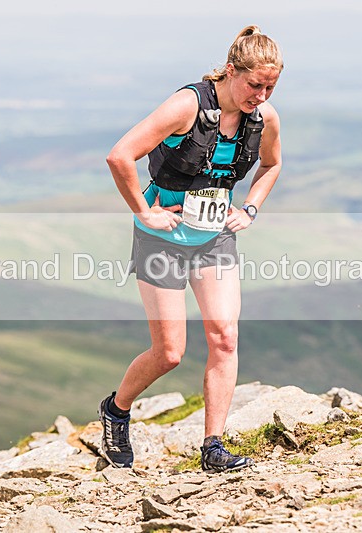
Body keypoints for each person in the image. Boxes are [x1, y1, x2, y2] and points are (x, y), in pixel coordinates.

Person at [99, 25, 283, 473]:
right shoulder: (187, 105)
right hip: (162, 237)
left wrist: (251, 209)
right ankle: (116, 410)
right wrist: (144, 212)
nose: (260, 96)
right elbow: (120, 156)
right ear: (231, 71)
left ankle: (213, 447)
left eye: (270, 87)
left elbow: (272, 164)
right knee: (169, 353)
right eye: (254, 85)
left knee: (225, 335)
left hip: (215, 237)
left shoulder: (265, 119)